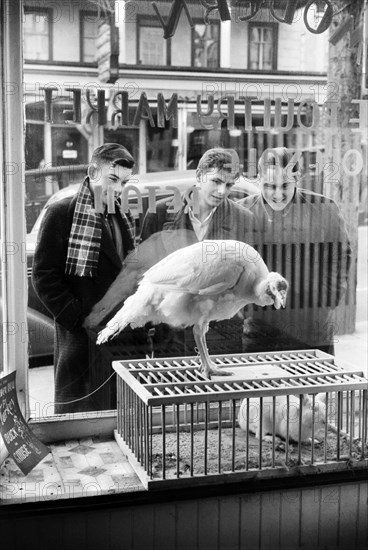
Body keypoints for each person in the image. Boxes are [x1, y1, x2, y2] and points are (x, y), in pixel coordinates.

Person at [32, 143, 136, 413]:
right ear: (92, 172)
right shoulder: (61, 213)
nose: (118, 189)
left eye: (124, 183)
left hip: (117, 338)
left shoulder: (119, 215)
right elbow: (44, 276)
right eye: (113, 179)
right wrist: (78, 319)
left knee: (114, 419)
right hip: (80, 341)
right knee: (76, 423)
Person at [140, 147, 257, 357]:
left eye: (229, 185)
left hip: (221, 335)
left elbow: (250, 280)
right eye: (216, 182)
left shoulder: (244, 219)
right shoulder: (157, 213)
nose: (222, 191)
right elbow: (145, 277)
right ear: (199, 176)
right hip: (170, 336)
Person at [238, 147, 351, 355]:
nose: (278, 194)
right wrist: (245, 310)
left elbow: (340, 257)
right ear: (258, 179)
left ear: (297, 179)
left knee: (313, 386)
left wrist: (324, 304)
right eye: (269, 185)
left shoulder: (325, 208)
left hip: (311, 327)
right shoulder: (241, 212)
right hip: (259, 327)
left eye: (285, 186)